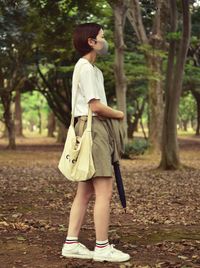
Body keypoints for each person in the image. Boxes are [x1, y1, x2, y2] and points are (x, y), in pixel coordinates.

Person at [61, 23, 130, 263]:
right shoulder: (86, 69)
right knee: (104, 191)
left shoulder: (91, 69)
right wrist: (120, 114)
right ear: (91, 41)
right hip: (94, 130)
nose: (105, 40)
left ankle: (71, 243)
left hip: (89, 128)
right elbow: (96, 106)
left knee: (85, 191)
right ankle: (102, 247)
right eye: (102, 36)